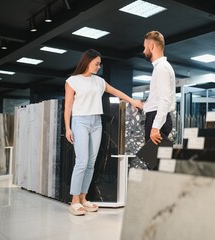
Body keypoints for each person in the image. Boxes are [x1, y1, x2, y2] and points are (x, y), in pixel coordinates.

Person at [64, 49, 143, 216]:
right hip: (80, 121)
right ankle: (74, 200)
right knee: (82, 161)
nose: (98, 67)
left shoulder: (99, 81)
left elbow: (116, 92)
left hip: (96, 122)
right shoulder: (72, 81)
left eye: (99, 64)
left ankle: (84, 198)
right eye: (96, 63)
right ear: (87, 62)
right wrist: (68, 128)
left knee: (91, 162)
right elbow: (68, 106)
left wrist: (132, 101)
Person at [142, 31, 176, 146]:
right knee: (154, 162)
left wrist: (155, 127)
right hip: (156, 116)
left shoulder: (161, 68)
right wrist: (144, 105)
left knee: (155, 163)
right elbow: (159, 98)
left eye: (145, 47)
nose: (143, 51)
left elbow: (164, 99)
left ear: (151, 46)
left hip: (157, 118)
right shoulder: (161, 67)